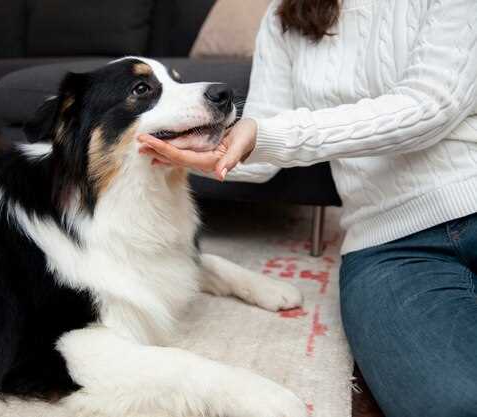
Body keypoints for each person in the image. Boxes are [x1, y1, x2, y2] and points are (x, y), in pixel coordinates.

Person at [138, 0, 477, 416]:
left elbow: (432, 105)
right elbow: (258, 149)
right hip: (388, 243)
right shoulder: (285, 15)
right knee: (452, 405)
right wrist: (175, 153)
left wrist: (265, 135)